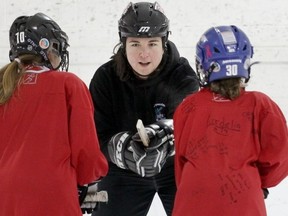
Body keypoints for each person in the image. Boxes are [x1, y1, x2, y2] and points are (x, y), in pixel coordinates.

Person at [89, 2, 199, 215]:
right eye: (135, 44)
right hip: (122, 171)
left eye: (152, 43)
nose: (144, 54)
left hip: (174, 169)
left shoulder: (182, 75)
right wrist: (122, 149)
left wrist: (164, 137)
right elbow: (97, 137)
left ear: (164, 42)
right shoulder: (105, 78)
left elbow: (190, 130)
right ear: (123, 44)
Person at [172, 25, 288, 216]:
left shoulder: (188, 106)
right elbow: (279, 158)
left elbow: (181, 163)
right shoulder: (262, 105)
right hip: (243, 199)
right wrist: (256, 182)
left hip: (193, 199)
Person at [0, 13, 108, 216]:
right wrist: (88, 180)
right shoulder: (68, 83)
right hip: (52, 193)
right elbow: (86, 151)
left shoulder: (3, 87)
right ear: (48, 50)